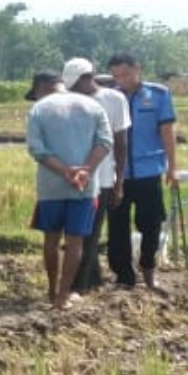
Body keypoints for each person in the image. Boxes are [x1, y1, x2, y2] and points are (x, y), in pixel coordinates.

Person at [25, 64, 112, 311]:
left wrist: (65, 171)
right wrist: (85, 170)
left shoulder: (39, 109)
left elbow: (37, 149)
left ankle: (52, 291)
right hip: (84, 187)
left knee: (51, 241)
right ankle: (64, 296)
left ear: (41, 89)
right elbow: (105, 142)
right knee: (75, 243)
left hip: (51, 188)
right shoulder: (93, 106)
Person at [105, 52, 178, 293]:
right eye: (116, 76)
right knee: (117, 226)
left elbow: (167, 131)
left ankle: (148, 270)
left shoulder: (158, 95)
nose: (121, 80)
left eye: (125, 74)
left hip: (148, 170)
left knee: (151, 224)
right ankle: (124, 275)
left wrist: (172, 166)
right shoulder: (109, 97)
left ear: (138, 69)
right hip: (117, 174)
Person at [69, 62, 130, 293]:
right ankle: (91, 278)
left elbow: (121, 142)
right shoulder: (71, 101)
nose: (74, 90)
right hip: (75, 175)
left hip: (103, 176)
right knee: (79, 232)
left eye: (76, 84)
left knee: (91, 233)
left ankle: (81, 285)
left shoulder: (114, 99)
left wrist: (119, 180)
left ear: (88, 77)